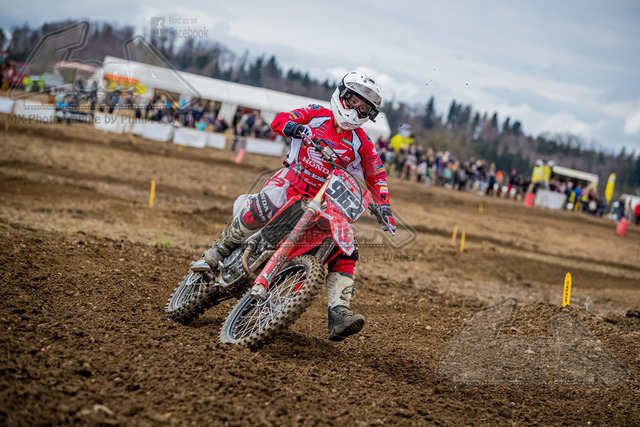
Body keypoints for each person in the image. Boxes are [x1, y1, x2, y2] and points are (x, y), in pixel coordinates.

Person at [203, 71, 396, 341]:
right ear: (342, 95)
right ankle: (221, 248)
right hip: (293, 181)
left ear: (370, 114)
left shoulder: (362, 143)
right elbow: (281, 119)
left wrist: (384, 206)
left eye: (363, 108)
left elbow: (377, 175)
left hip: (326, 201)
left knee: (346, 248)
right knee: (268, 202)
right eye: (353, 101)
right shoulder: (316, 114)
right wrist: (294, 127)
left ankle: (339, 312)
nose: (356, 110)